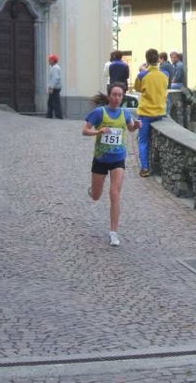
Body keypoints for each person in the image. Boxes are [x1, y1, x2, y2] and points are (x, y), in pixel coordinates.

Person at [83, 83, 142, 246]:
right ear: (109, 96)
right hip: (101, 159)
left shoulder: (125, 113)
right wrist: (98, 131)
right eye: (114, 95)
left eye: (120, 95)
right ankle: (92, 190)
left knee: (114, 193)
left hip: (118, 158)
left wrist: (136, 126)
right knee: (96, 196)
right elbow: (85, 130)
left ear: (123, 97)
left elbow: (131, 128)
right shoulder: (99, 113)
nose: (117, 98)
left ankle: (113, 233)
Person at [134, 49, 169, 177]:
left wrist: (142, 71)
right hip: (160, 112)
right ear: (158, 59)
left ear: (147, 60)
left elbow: (138, 89)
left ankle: (145, 168)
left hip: (145, 113)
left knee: (143, 141)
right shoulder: (165, 74)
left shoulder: (142, 75)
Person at [47, 54, 63, 119]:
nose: (49, 61)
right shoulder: (54, 67)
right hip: (54, 88)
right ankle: (49, 115)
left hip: (55, 88)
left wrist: (51, 87)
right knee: (50, 102)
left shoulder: (55, 68)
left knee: (55, 103)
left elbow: (55, 78)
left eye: (50, 60)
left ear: (53, 61)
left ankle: (58, 116)